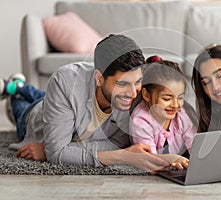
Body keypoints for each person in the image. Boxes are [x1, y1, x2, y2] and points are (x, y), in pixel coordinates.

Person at [0, 34, 169, 172]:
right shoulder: (64, 81)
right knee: (22, 110)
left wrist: (63, 149)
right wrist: (123, 156)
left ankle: (19, 86)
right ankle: (14, 90)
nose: (133, 93)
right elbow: (57, 154)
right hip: (36, 117)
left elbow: (117, 143)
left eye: (137, 82)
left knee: (48, 97)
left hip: (63, 106)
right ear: (99, 78)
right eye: (122, 84)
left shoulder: (136, 94)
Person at [130, 56, 197, 170]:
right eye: (167, 99)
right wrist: (173, 159)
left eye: (180, 98)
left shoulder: (182, 114)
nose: (175, 105)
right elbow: (150, 159)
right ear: (146, 95)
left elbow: (194, 146)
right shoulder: (140, 120)